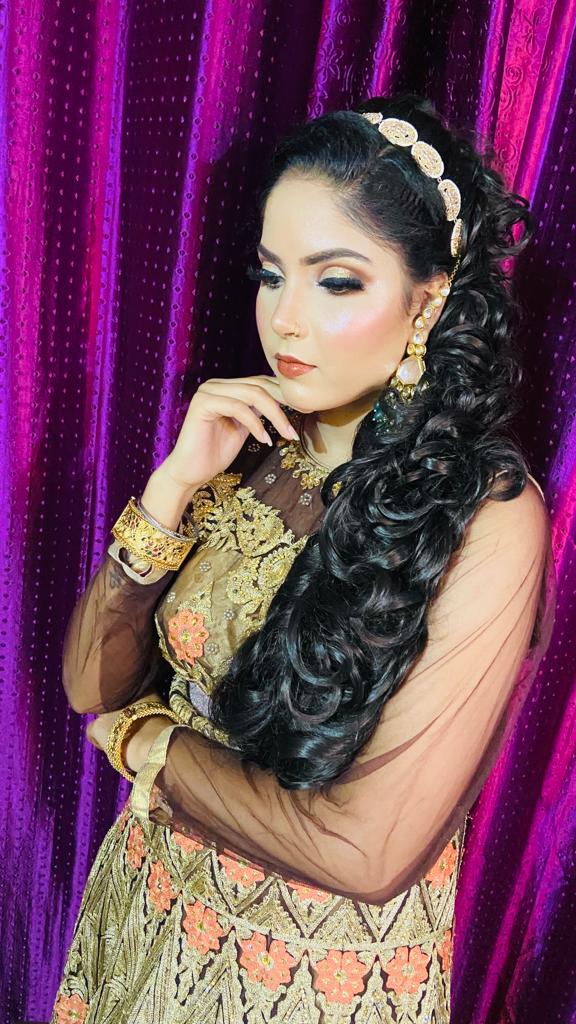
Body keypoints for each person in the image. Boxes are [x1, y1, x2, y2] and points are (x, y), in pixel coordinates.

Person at [51, 93, 555, 1024]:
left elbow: (365, 851)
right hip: (150, 912)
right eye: (270, 274)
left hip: (302, 976)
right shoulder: (252, 441)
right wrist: (172, 484)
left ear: (426, 300)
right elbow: (91, 683)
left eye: (337, 283)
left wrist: (149, 743)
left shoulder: (488, 516)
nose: (285, 320)